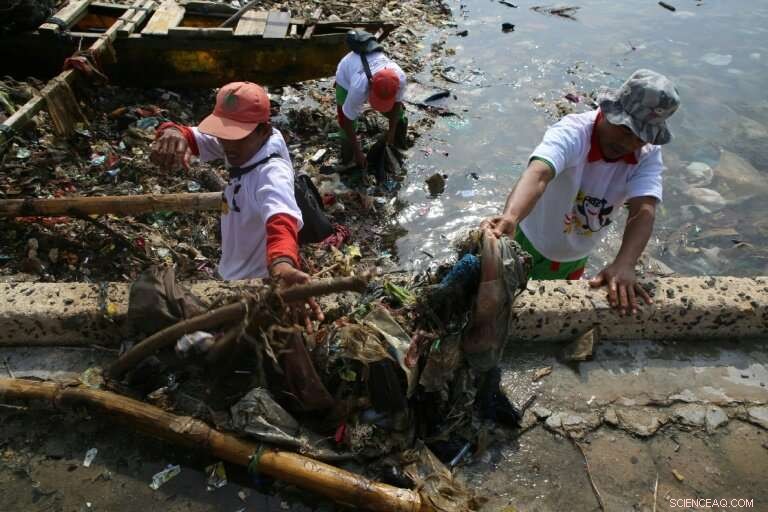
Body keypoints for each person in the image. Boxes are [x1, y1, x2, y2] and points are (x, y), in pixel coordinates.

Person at [481, 69, 680, 315]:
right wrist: (510, 217)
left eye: (639, 137)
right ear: (609, 112)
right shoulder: (574, 132)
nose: (629, 143)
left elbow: (644, 209)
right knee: (499, 304)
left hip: (576, 254)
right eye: (625, 130)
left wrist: (624, 263)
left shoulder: (647, 154)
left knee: (552, 307)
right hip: (528, 240)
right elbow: (539, 173)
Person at [150, 81, 322, 327]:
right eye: (224, 135)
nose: (227, 145)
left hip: (253, 286)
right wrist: (173, 132)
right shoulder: (249, 145)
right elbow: (194, 136)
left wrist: (282, 266)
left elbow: (281, 220)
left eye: (236, 137)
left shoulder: (272, 173)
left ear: (264, 130)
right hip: (232, 267)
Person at [334, 32, 408, 168]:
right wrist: (358, 152)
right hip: (345, 77)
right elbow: (347, 119)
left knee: (398, 116)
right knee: (346, 126)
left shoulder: (400, 77)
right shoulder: (358, 86)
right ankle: (347, 157)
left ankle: (399, 143)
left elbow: (397, 103)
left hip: (370, 73)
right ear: (371, 85)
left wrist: (391, 132)